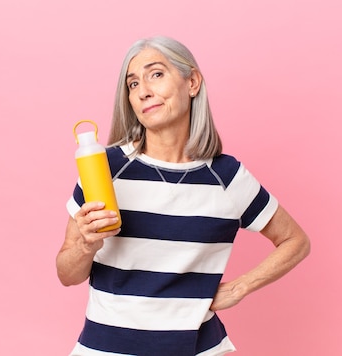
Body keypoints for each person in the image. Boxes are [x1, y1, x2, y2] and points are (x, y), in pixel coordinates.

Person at [56, 35, 311, 356]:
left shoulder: (226, 177)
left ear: (192, 82)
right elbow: (67, 274)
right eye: (132, 84)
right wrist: (85, 245)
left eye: (156, 74)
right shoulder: (104, 168)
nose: (143, 90)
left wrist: (239, 287)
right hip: (106, 349)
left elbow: (296, 241)